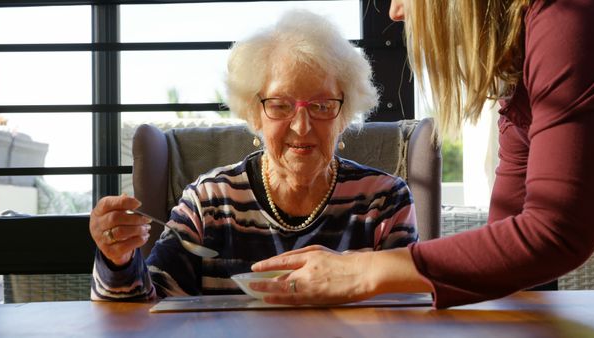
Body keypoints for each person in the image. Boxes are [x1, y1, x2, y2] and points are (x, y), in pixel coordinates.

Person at [250, 0, 594, 308]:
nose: (393, 11)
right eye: (280, 106)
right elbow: (513, 258)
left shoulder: (569, 18)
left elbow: (555, 232)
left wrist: (365, 272)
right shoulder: (521, 74)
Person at [88, 10, 418, 300]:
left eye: (321, 105)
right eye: (280, 105)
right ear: (254, 114)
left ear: (345, 114)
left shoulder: (385, 201)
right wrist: (117, 259)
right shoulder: (210, 202)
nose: (302, 127)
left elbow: (410, 311)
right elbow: (150, 305)